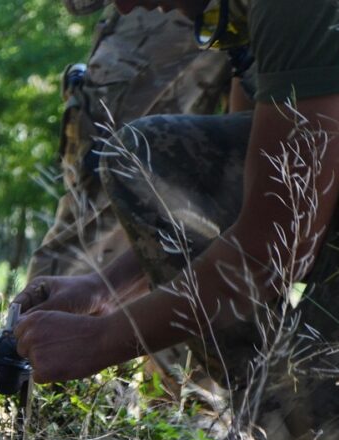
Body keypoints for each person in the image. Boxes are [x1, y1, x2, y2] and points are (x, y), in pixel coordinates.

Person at [12, 0, 339, 440]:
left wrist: (101, 341)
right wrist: (103, 290)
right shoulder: (242, 17)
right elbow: (235, 203)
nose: (124, 7)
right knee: (150, 155)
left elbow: (274, 247)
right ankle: (277, 429)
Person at [28, 0, 230, 279]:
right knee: (115, 185)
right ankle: (46, 304)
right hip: (162, 32)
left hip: (211, 24)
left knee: (254, 168)